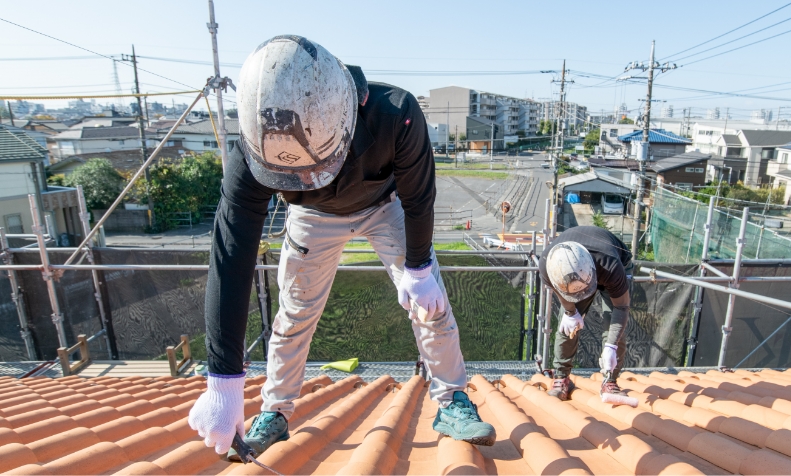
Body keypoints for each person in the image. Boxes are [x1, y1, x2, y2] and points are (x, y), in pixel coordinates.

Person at [187, 35, 496, 456]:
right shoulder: (251, 152)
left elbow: (419, 197)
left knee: (430, 303)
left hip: (383, 206)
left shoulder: (395, 114)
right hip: (312, 219)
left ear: (349, 114)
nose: (312, 179)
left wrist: (419, 269)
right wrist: (222, 383)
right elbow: (231, 256)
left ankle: (452, 400)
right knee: (295, 313)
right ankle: (275, 411)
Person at [538, 225, 635, 403]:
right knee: (566, 325)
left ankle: (610, 380)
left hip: (613, 267)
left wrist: (611, 346)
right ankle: (561, 377)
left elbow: (621, 308)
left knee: (614, 328)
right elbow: (558, 291)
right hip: (573, 274)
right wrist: (570, 311)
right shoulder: (547, 265)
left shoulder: (611, 265)